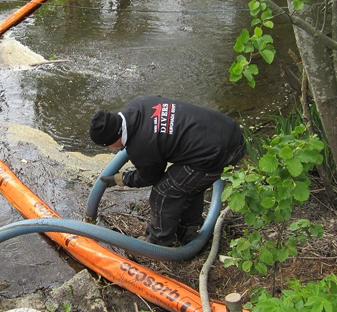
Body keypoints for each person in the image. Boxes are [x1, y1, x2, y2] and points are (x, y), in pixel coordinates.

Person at [89, 95, 245, 246]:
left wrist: (121, 179)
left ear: (111, 142)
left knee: (163, 193)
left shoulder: (141, 146)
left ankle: (159, 241)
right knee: (189, 187)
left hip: (218, 156)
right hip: (228, 131)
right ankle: (188, 233)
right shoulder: (139, 103)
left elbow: (150, 177)